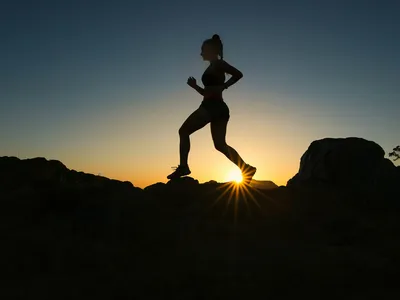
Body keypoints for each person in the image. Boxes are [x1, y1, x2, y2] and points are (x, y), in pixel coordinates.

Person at [167, 34, 256, 184]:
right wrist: (195, 87)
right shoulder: (213, 66)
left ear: (210, 50)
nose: (200, 53)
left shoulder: (218, 64)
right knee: (220, 145)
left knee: (183, 131)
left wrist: (224, 86)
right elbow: (207, 92)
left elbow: (238, 74)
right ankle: (246, 168)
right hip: (219, 108)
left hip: (212, 107)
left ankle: (183, 167)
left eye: (203, 50)